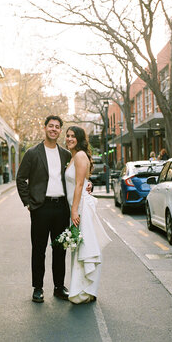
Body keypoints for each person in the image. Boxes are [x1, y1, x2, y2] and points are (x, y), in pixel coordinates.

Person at [16, 115, 92, 303]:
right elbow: (20, 179)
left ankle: (59, 287)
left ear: (60, 131)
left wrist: (88, 186)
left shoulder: (66, 154)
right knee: (39, 249)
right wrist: (28, 203)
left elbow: (79, 176)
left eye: (57, 127)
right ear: (45, 128)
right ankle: (38, 288)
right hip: (40, 208)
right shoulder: (33, 153)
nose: (54, 129)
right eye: (51, 126)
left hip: (62, 209)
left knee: (60, 249)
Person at [65, 126, 111, 304]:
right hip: (76, 205)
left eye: (72, 136)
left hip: (80, 206)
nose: (69, 139)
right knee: (78, 248)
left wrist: (75, 209)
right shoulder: (74, 155)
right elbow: (83, 180)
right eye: (67, 136)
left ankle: (84, 291)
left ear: (79, 138)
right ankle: (81, 289)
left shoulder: (80, 155)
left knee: (84, 248)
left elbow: (78, 185)